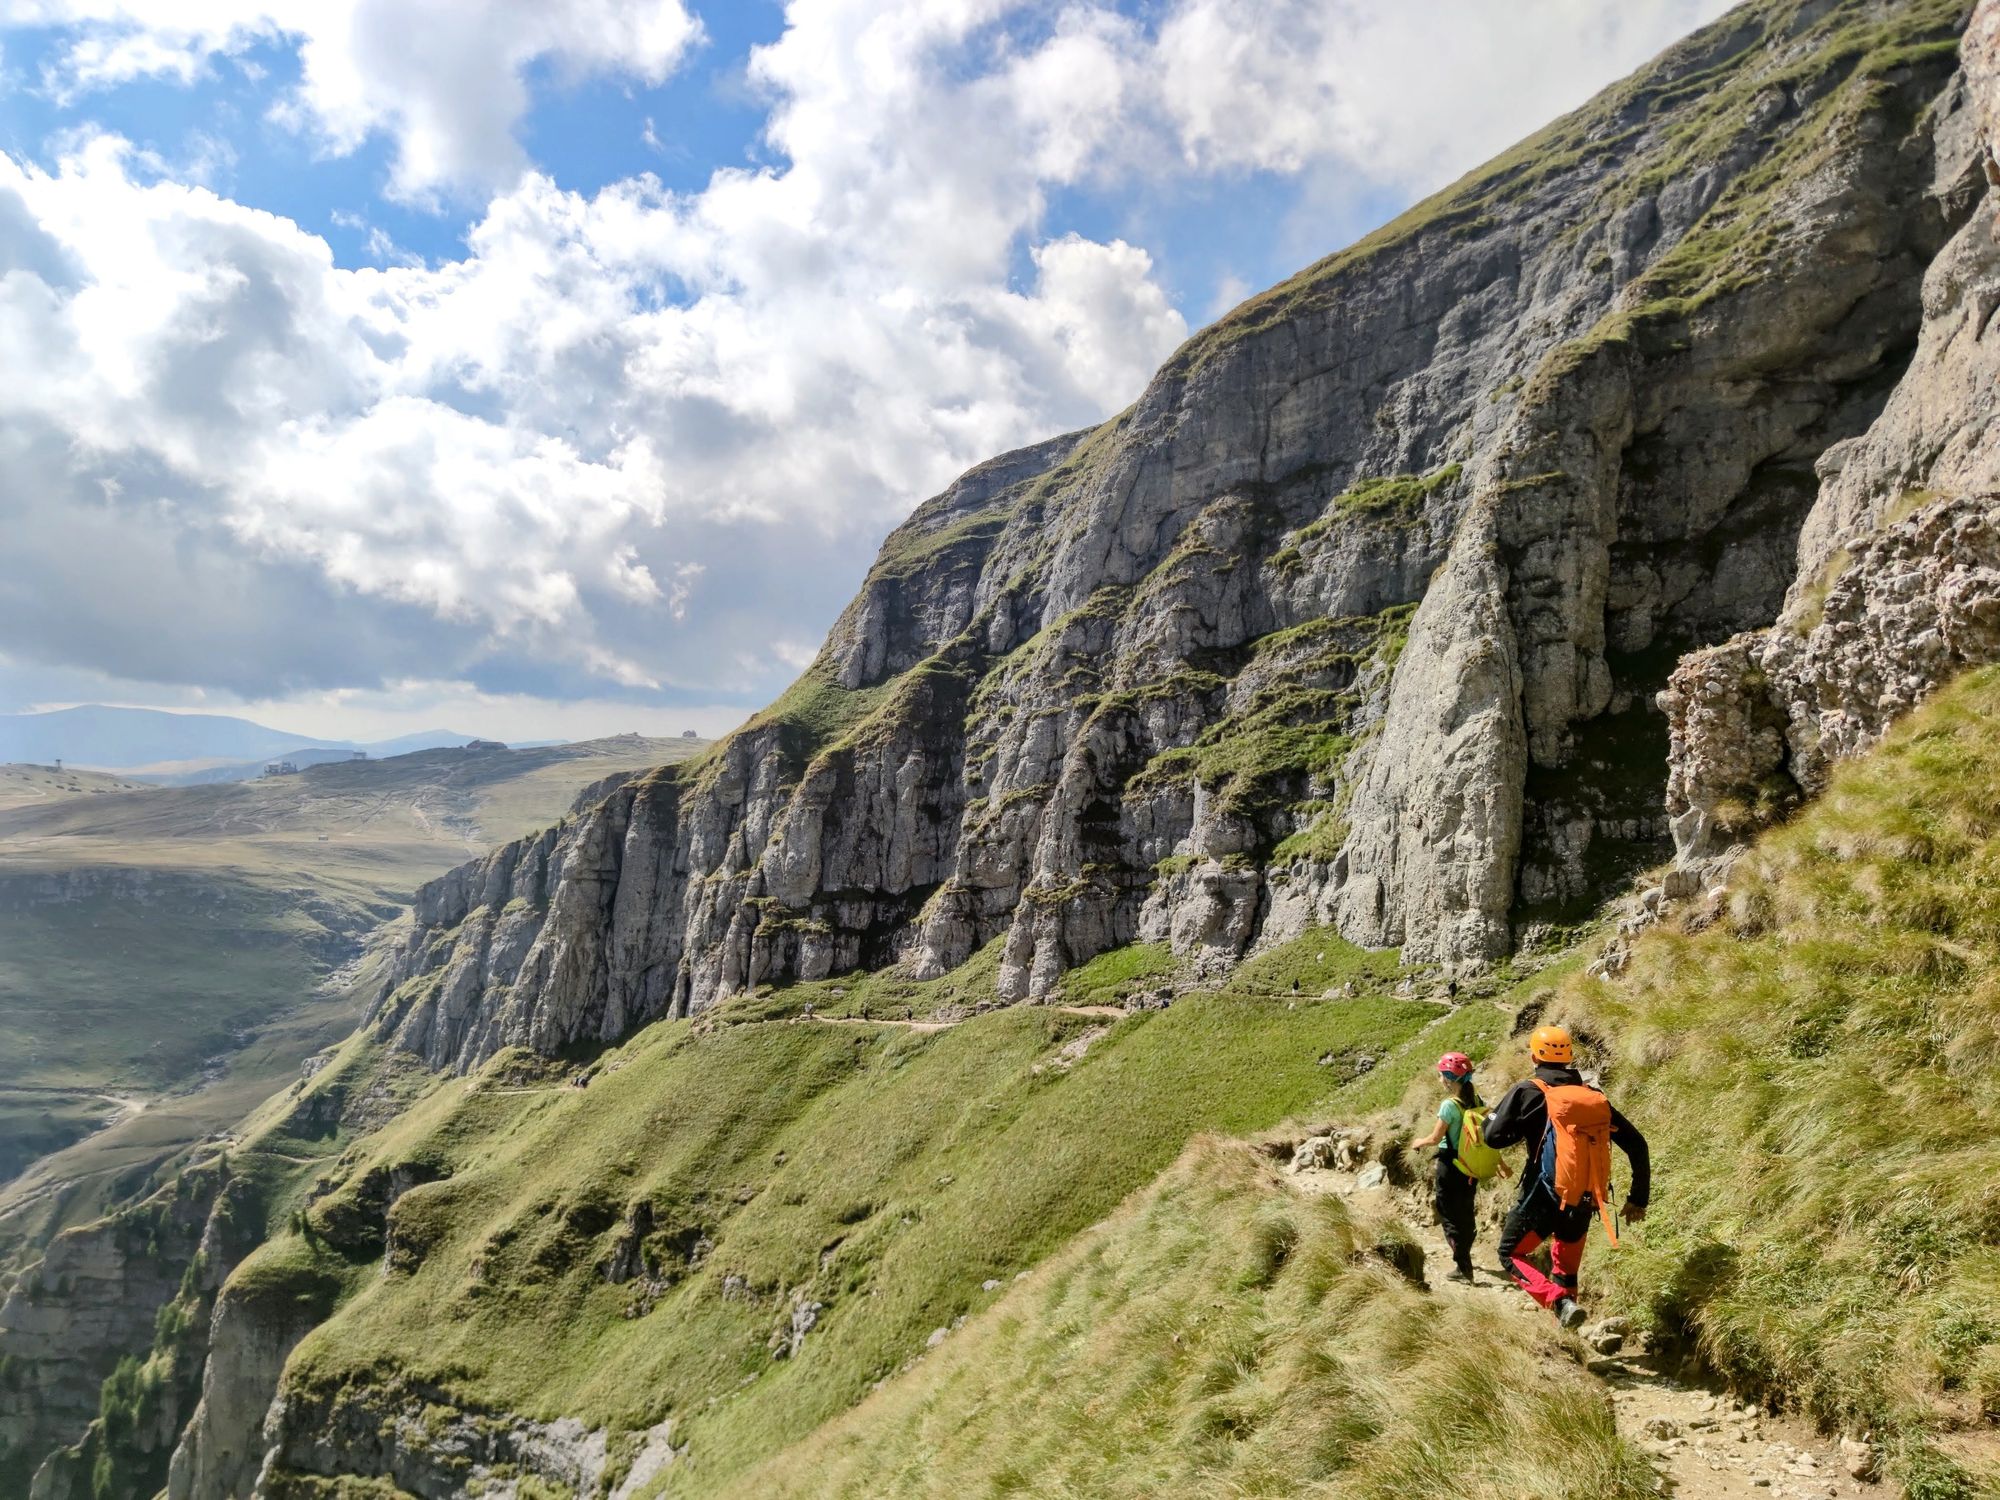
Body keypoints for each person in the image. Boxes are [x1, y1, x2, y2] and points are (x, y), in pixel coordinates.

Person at [1482, 1025, 1650, 1329]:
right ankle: (1567, 1324)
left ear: (1534, 1056)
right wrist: (1638, 1198)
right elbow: (1637, 1144)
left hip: (1543, 1197)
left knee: (1511, 1253)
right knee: (1566, 1269)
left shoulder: (1527, 1090)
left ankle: (1558, 1302)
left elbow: (1493, 1138)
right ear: (1569, 1056)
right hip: (1585, 1199)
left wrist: (1519, 1126)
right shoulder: (1592, 1096)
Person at [1409, 1051, 1506, 1283]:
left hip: (1450, 1165)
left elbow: (1435, 1138)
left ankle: (1463, 1267)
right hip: (1470, 1167)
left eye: (1441, 1075)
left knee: (1448, 1214)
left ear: (1449, 1079)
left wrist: (1418, 1142)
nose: (1440, 1080)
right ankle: (1465, 1259)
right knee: (1465, 1212)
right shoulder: (1478, 1101)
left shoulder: (1449, 1106)